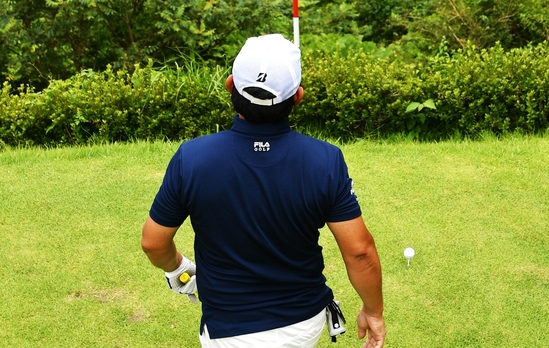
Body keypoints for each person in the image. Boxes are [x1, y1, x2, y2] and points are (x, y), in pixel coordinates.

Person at [141, 34, 385, 348]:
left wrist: (178, 268)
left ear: (230, 85)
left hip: (227, 328)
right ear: (298, 97)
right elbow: (360, 251)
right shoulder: (325, 160)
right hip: (302, 324)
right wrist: (373, 310)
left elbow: (153, 243)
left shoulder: (193, 158)